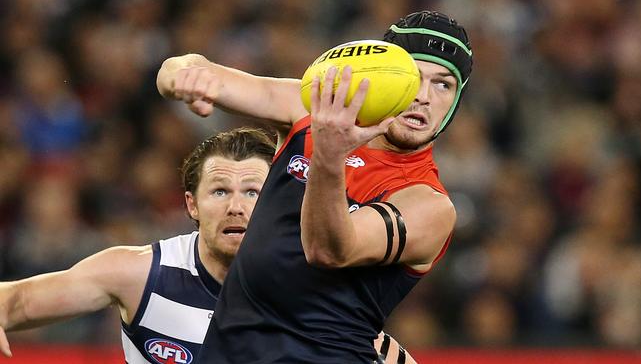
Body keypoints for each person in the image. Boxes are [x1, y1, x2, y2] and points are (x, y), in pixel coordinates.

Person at [157, 10, 472, 363]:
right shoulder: (311, 109)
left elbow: (327, 250)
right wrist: (186, 80)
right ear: (384, 75)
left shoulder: (428, 203)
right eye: (412, 77)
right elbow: (182, 68)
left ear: (456, 101)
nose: (424, 97)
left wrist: (328, 155)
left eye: (443, 84)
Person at [0, 127, 415, 364]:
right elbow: (16, 302)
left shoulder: (321, 297)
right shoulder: (140, 275)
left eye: (254, 192)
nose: (236, 207)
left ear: (277, 201)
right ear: (191, 204)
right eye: (219, 191)